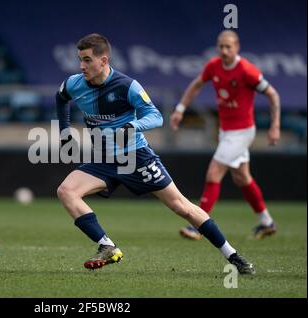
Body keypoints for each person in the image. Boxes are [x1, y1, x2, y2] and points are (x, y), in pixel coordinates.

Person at [55, 33, 255, 274]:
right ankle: (107, 246)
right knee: (66, 191)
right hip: (103, 160)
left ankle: (233, 255)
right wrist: (65, 131)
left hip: (136, 157)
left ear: (104, 60)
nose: (81, 66)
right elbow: (61, 97)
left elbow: (156, 116)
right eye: (80, 60)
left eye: (87, 60)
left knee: (181, 207)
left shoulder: (127, 86)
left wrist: (133, 126)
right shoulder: (75, 83)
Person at [170, 30, 280, 241]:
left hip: (242, 132)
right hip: (227, 131)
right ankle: (266, 222)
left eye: (228, 47)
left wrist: (274, 126)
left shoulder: (247, 70)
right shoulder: (213, 66)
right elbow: (196, 85)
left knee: (213, 173)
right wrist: (180, 109)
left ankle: (197, 225)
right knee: (241, 177)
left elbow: (272, 94)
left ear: (237, 47)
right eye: (221, 46)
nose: (224, 51)